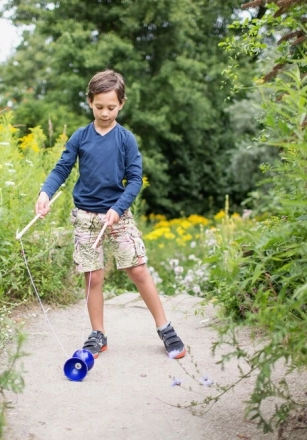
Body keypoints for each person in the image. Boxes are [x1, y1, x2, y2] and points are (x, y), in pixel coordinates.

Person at [34, 69, 186, 360]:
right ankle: (97, 334)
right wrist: (44, 193)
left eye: (111, 107)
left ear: (122, 104)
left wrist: (117, 209)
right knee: (92, 278)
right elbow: (62, 169)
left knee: (138, 269)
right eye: (99, 106)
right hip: (85, 219)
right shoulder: (80, 137)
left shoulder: (126, 139)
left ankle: (165, 328)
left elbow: (135, 180)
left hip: (118, 217)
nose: (105, 113)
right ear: (90, 102)